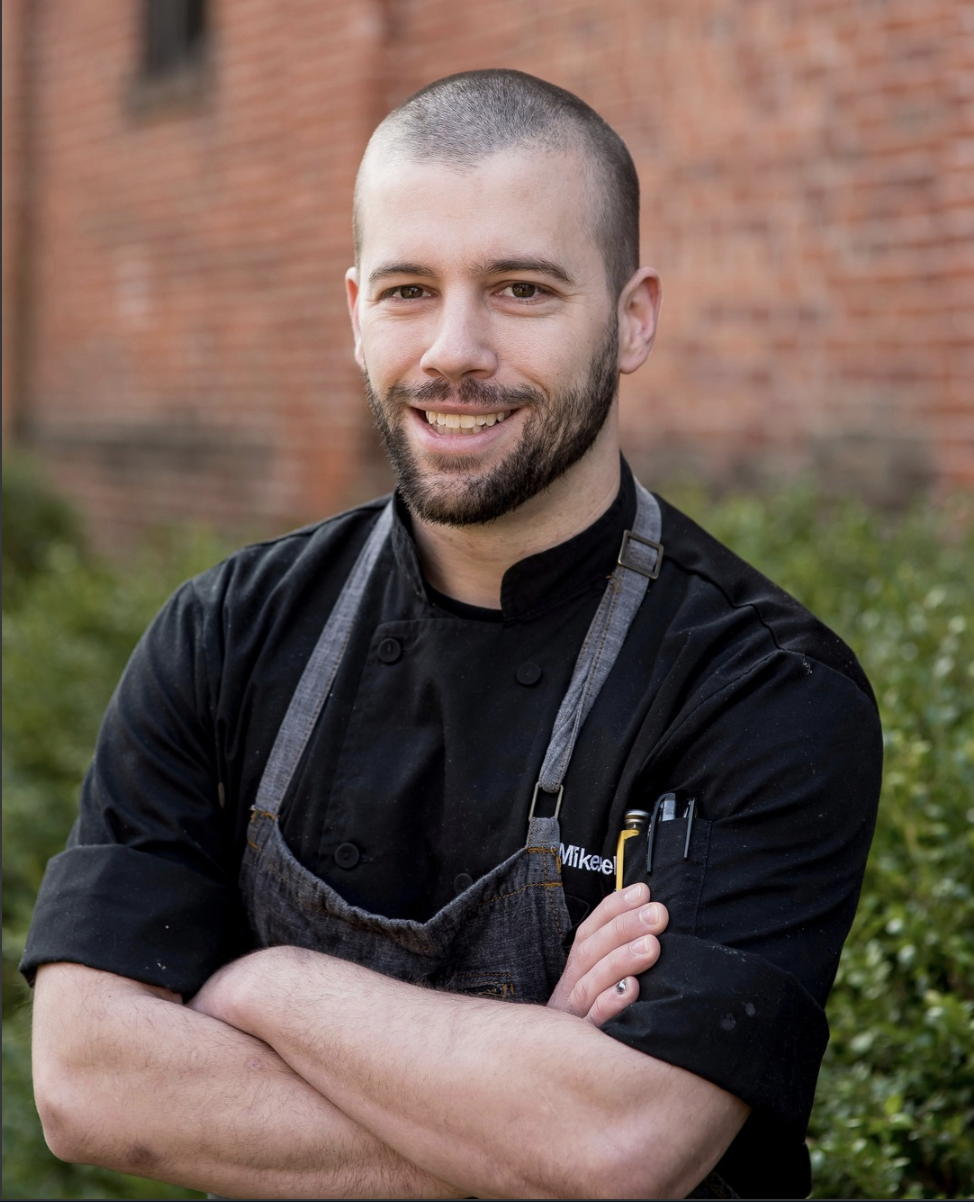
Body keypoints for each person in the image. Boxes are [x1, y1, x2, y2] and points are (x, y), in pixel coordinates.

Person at [23, 69, 881, 1200]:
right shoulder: (224, 634)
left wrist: (266, 984)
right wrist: (519, 1097)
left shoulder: (758, 688)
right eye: (408, 290)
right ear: (353, 312)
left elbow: (620, 1144)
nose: (454, 351)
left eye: (520, 289)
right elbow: (88, 1080)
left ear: (631, 319)